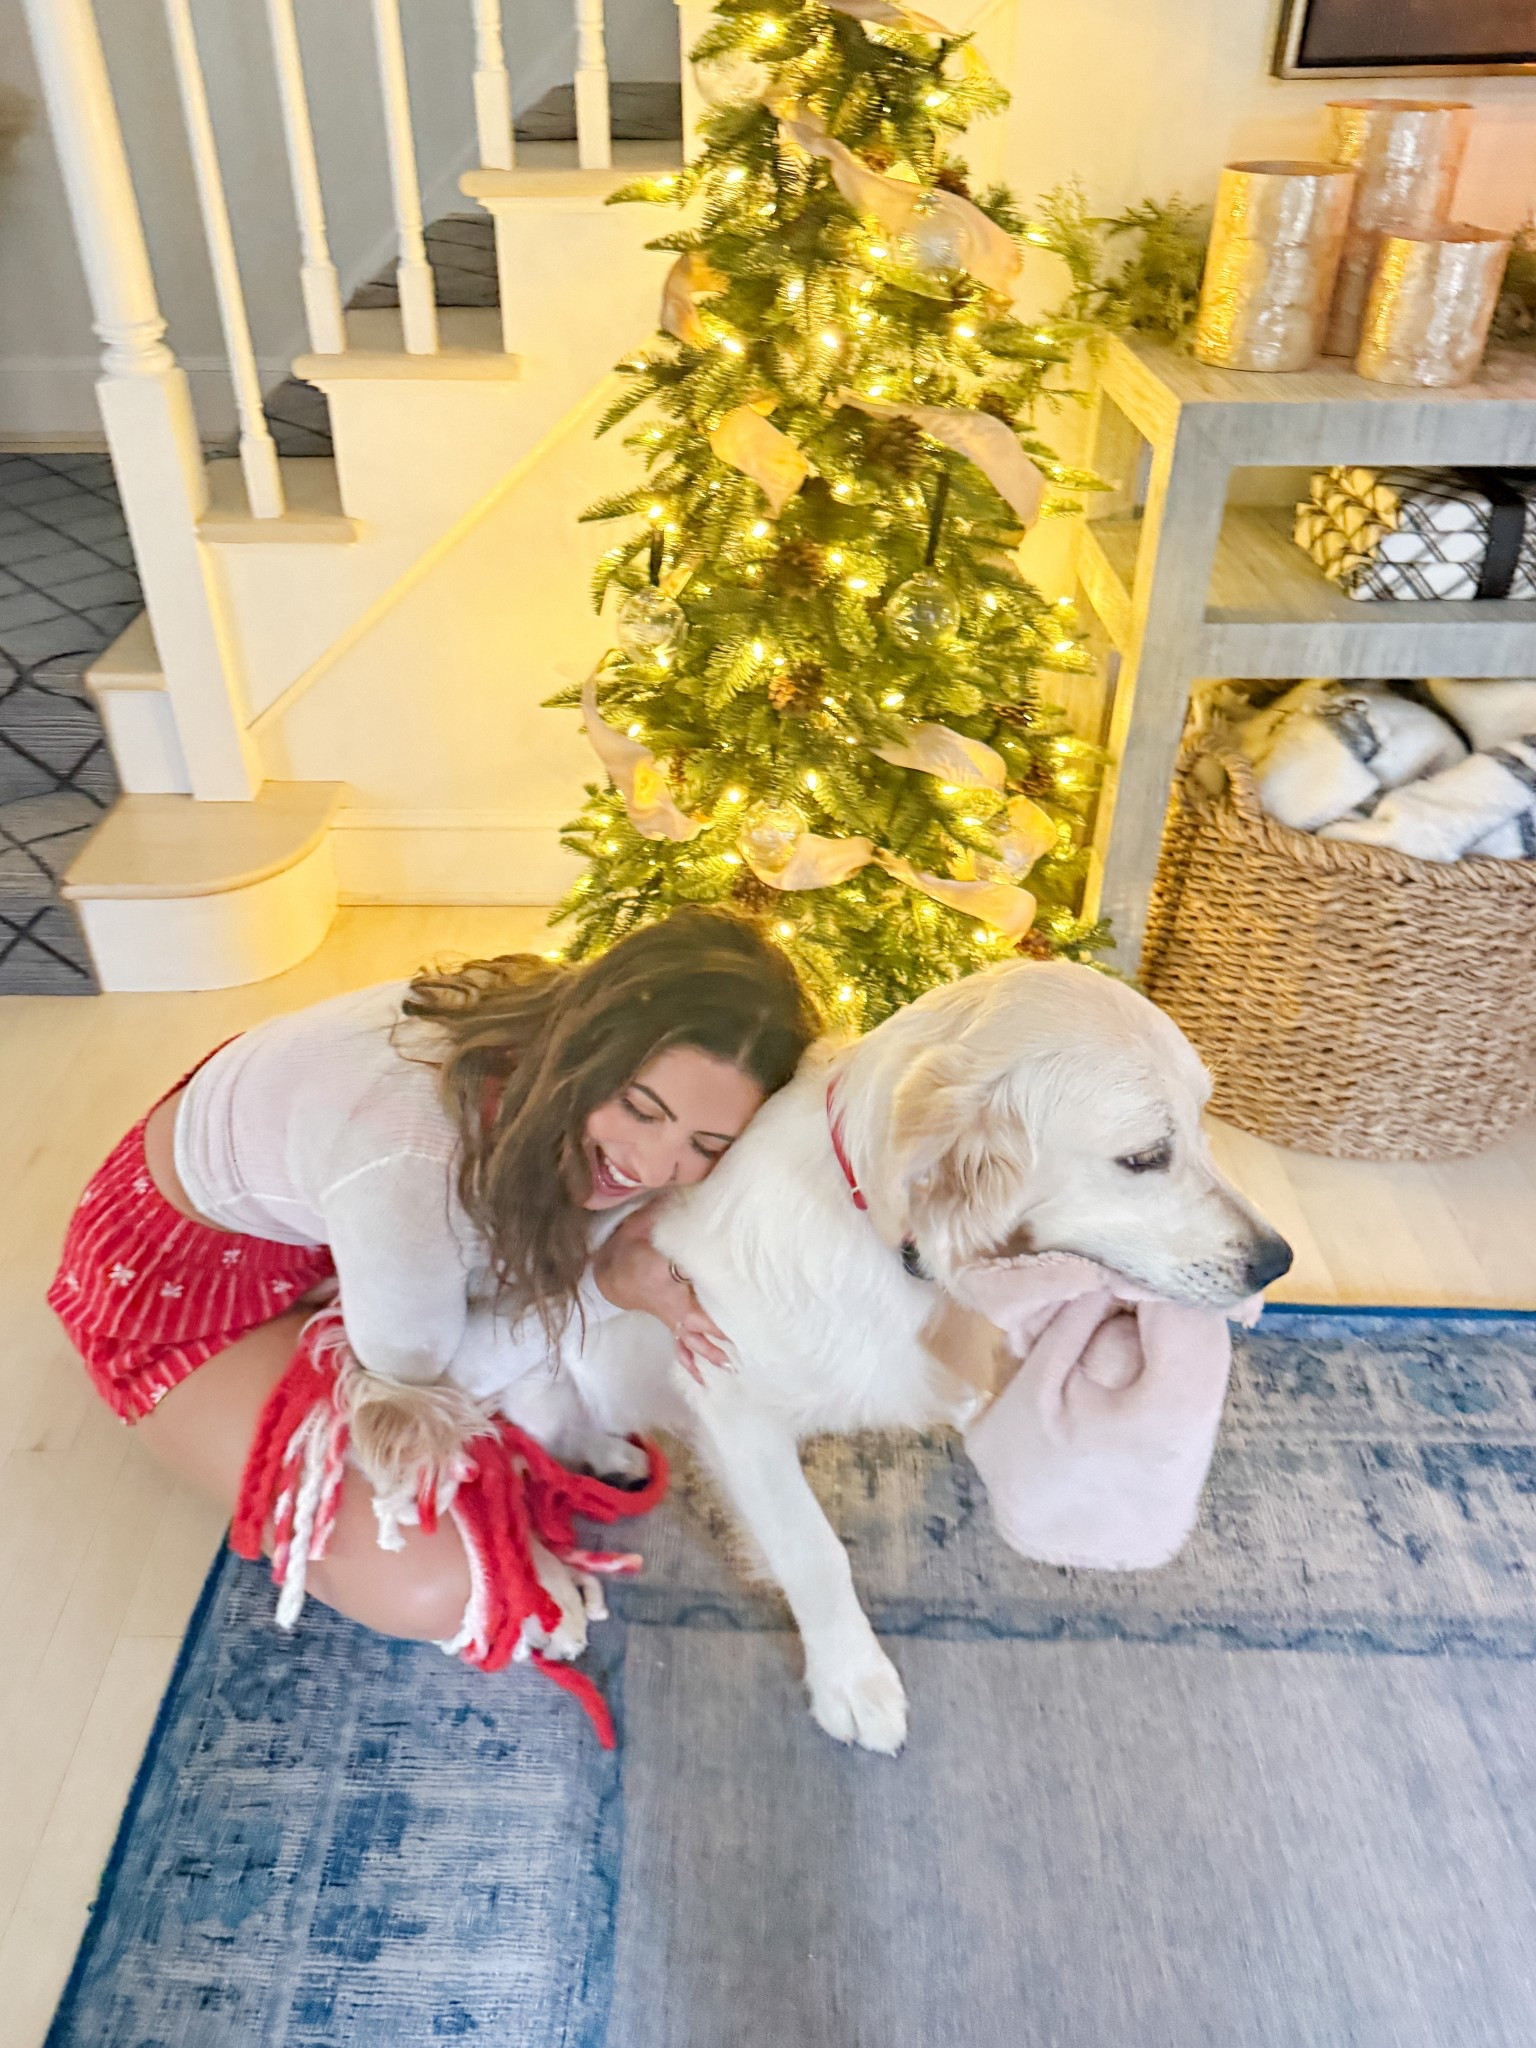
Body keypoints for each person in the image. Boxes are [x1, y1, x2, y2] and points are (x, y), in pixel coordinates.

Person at [50, 909, 817, 1671]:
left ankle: (381, 1304)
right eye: (641, 1110)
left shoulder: (557, 1061)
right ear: (590, 1044)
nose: (650, 1167)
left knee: (557, 1362)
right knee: (433, 1589)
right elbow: (422, 1385)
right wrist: (605, 1288)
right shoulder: (407, 1154)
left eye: (705, 1145)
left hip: (332, 1230)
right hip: (177, 1284)